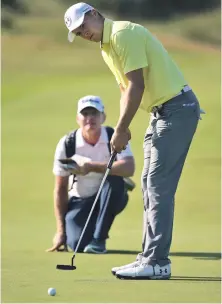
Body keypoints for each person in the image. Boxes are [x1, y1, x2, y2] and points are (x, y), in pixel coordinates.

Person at [63, 3, 202, 279]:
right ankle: (149, 257)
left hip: (176, 109)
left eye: (83, 27)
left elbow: (136, 84)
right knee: (149, 186)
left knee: (159, 188)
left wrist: (121, 128)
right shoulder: (106, 47)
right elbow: (125, 89)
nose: (83, 34)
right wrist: (122, 130)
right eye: (78, 33)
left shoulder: (122, 34)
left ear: (94, 14)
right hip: (160, 113)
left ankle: (157, 261)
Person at [47, 95, 135, 254]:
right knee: (77, 245)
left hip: (110, 194)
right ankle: (92, 228)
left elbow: (129, 167)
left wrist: (91, 166)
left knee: (114, 180)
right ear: (77, 118)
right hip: (80, 199)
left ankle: (99, 241)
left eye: (94, 113)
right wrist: (61, 231)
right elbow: (60, 188)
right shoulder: (67, 143)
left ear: (103, 117)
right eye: (85, 114)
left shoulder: (114, 136)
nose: (90, 118)